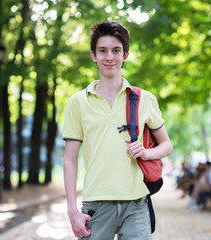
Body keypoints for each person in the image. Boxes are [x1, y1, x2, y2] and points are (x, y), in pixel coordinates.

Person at [62, 21, 173, 240]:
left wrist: (146, 153)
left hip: (136, 205)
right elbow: (69, 159)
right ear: (93, 55)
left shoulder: (145, 99)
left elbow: (167, 145)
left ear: (125, 55)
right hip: (96, 205)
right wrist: (72, 210)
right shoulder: (77, 102)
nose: (109, 57)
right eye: (103, 51)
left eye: (116, 51)